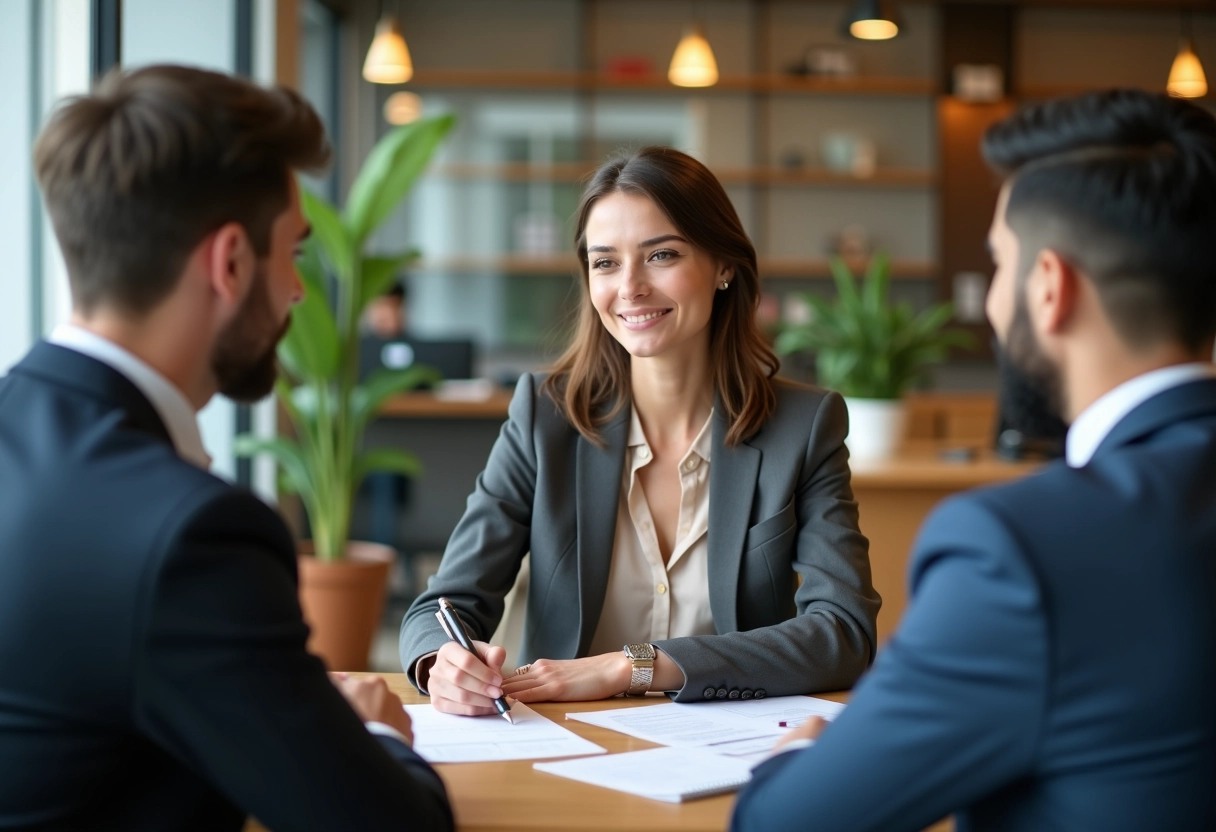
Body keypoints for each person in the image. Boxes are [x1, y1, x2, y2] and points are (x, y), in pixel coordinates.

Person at [732, 89, 1216, 832]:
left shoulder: (1022, 551)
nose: (992, 303)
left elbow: (783, 824)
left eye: (999, 266)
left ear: (1049, 288)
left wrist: (802, 757)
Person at [0, 65, 452, 831]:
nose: (299, 294)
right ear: (231, 262)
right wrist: (377, 731)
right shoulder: (188, 538)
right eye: (295, 254)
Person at [400, 146, 881, 713]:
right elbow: (441, 608)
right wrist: (442, 664)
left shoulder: (802, 427)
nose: (629, 287)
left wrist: (631, 666)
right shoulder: (544, 416)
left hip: (728, 742)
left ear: (724, 265)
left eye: (661, 255)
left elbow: (843, 632)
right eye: (605, 262)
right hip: (565, 741)